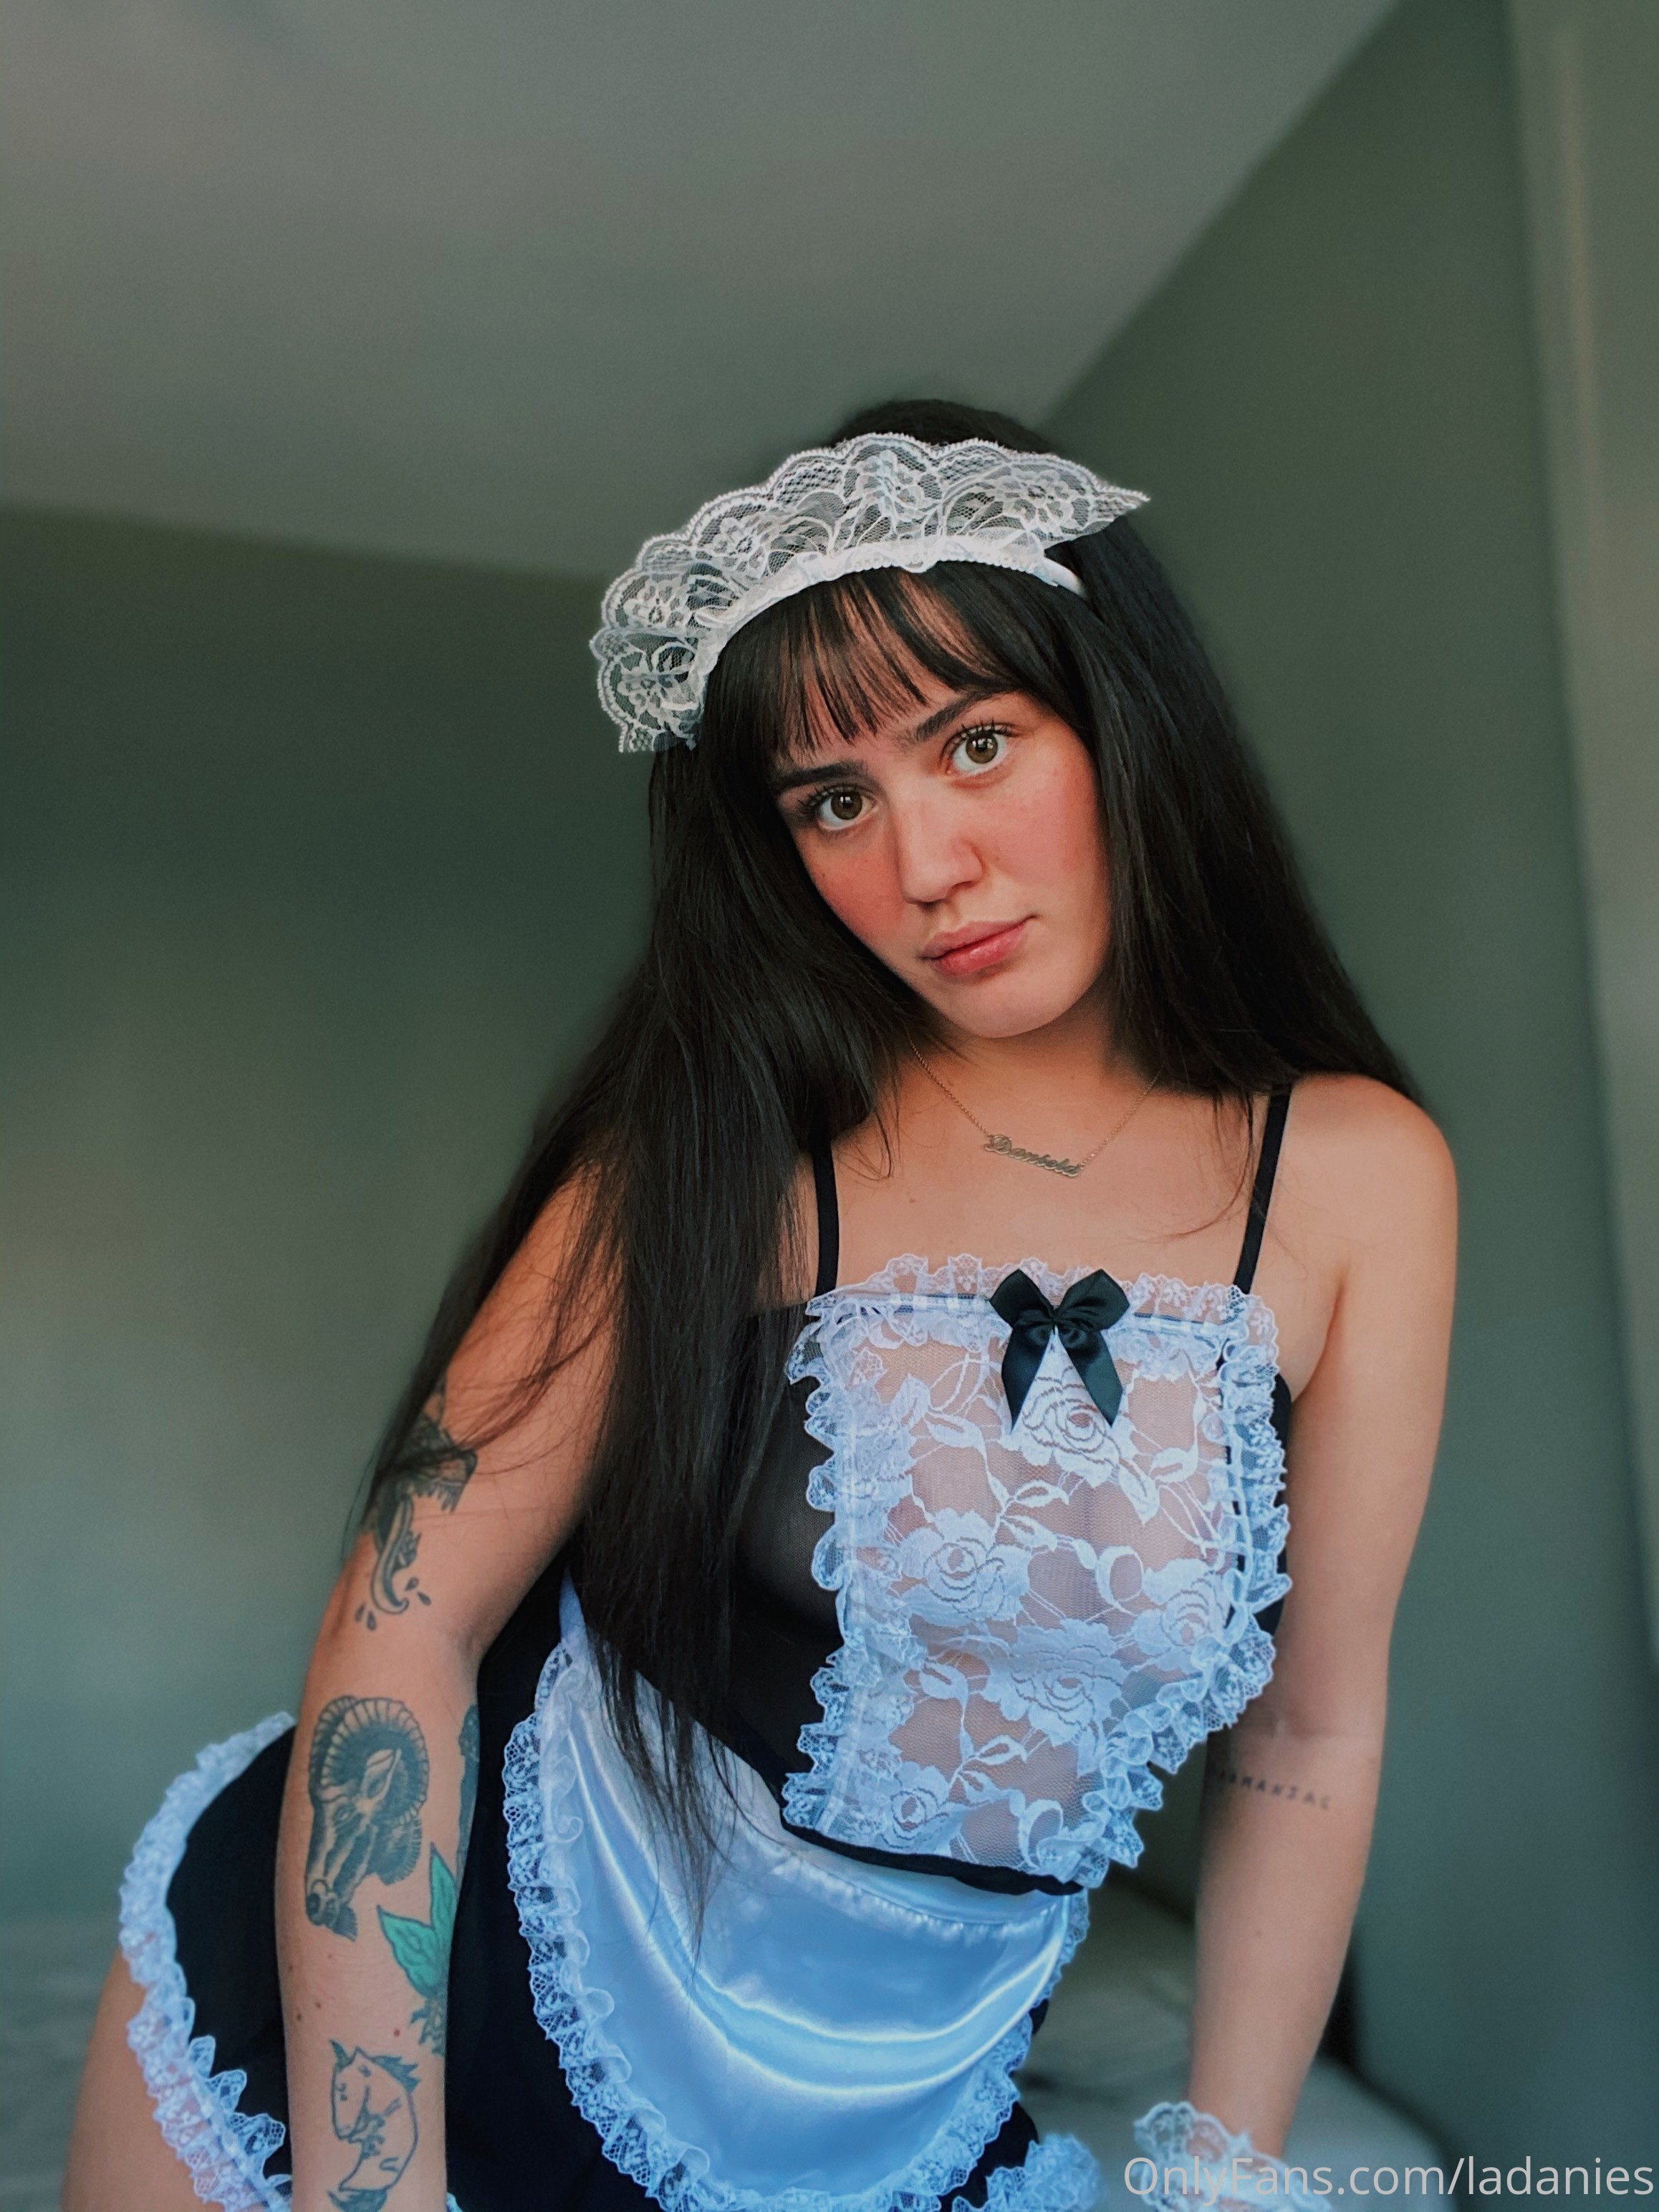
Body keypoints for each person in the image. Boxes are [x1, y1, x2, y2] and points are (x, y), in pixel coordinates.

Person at [64, 400, 1456, 2212]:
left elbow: (1307, 1735)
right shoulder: (727, 1140)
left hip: (901, 2108)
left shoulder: (1355, 1179)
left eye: (976, 742)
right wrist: (370, 2185)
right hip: (467, 1998)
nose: (924, 867)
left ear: (1124, 720)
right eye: (834, 800)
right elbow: (400, 1618)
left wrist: (1225, 2174)